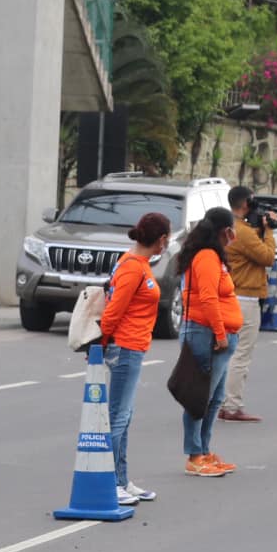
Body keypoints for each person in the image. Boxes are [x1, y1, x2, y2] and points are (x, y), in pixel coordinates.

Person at [100, 210, 170, 506]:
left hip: (133, 347)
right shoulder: (132, 267)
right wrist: (102, 342)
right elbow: (114, 310)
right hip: (125, 348)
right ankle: (110, 483)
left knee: (124, 417)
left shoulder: (138, 264)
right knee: (118, 417)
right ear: (162, 240)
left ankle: (121, 479)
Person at [175, 207, 241, 478]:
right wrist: (221, 333)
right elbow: (208, 298)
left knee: (214, 399)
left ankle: (203, 449)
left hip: (214, 334)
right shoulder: (206, 257)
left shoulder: (213, 256)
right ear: (225, 231)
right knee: (199, 398)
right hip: (207, 334)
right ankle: (194, 455)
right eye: (232, 230)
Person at [220, 185, 277, 424]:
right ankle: (232, 405)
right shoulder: (243, 232)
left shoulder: (230, 228)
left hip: (233, 294)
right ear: (245, 204)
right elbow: (267, 257)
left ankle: (223, 402)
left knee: (228, 353)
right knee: (241, 354)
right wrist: (270, 231)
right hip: (245, 297)